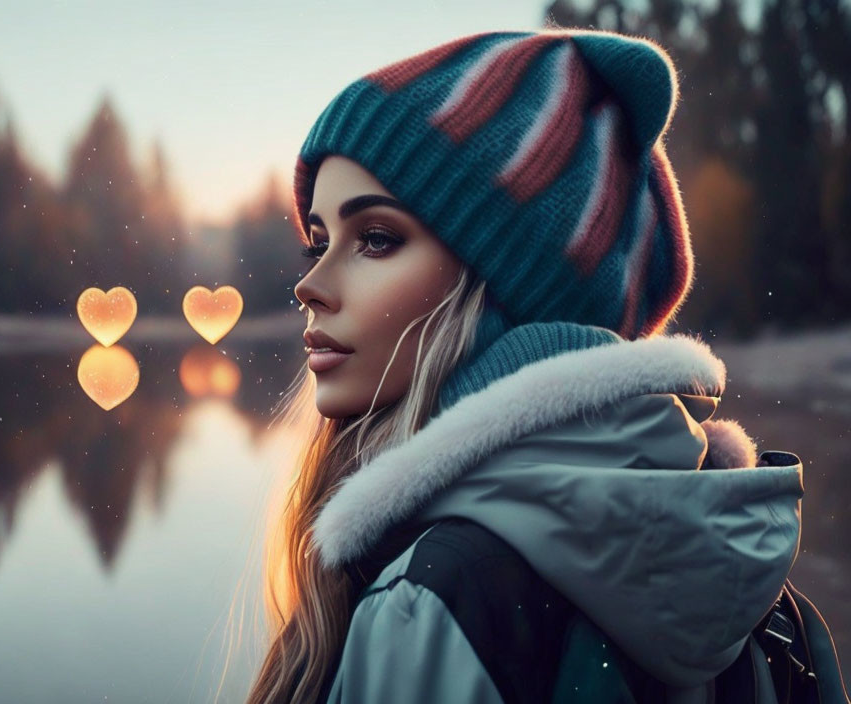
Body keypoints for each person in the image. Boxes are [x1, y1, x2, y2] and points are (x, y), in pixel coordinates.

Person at [245, 27, 849, 704]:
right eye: (318, 243)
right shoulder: (765, 598)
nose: (309, 286)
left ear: (512, 292)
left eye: (377, 239)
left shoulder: (435, 600)